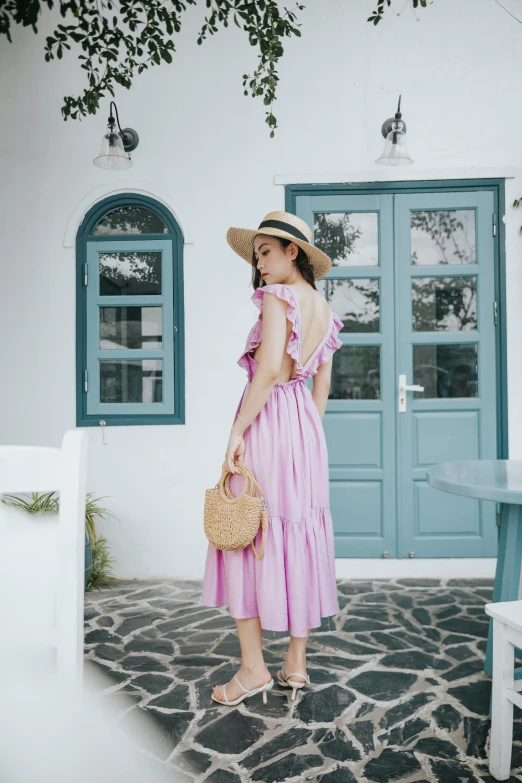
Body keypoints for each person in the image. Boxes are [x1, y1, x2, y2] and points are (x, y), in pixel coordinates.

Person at [200, 210, 344, 706]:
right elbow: (322, 387)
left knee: (247, 532)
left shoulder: (277, 299)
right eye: (256, 255)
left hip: (268, 422)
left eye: (265, 252)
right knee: (297, 531)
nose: (259, 264)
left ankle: (253, 669)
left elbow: (265, 374)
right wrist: (303, 435)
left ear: (293, 252)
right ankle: (296, 663)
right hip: (304, 428)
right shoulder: (323, 310)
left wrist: (237, 432)